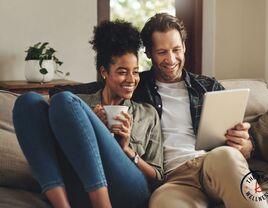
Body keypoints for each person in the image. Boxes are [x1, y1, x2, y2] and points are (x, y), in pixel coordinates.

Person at [12, 20, 163, 208]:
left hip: (128, 189)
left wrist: (127, 150)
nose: (132, 80)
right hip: (78, 185)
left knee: (64, 100)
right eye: (123, 72)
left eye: (136, 72)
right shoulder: (79, 105)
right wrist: (89, 125)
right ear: (104, 72)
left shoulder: (148, 114)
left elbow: (158, 177)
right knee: (27, 102)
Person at [131, 13, 267, 208]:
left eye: (176, 49)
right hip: (173, 181)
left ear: (184, 47)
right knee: (161, 203)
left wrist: (245, 144)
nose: (171, 59)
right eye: (162, 52)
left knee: (227, 155)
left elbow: (241, 149)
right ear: (149, 53)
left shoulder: (208, 86)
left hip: (213, 165)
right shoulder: (136, 88)